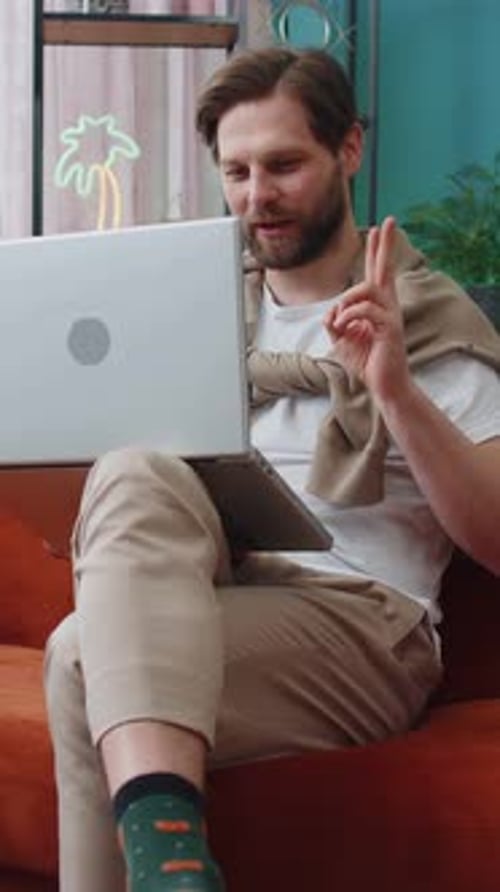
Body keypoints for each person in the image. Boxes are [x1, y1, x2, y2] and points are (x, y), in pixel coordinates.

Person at [44, 47, 500, 892]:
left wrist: (394, 391)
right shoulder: (201, 308)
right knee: (137, 469)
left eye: (285, 164)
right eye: (238, 170)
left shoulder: (430, 318)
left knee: (81, 660)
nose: (259, 196)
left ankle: (170, 869)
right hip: (218, 587)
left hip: (366, 626)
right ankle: (174, 873)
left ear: (350, 151)